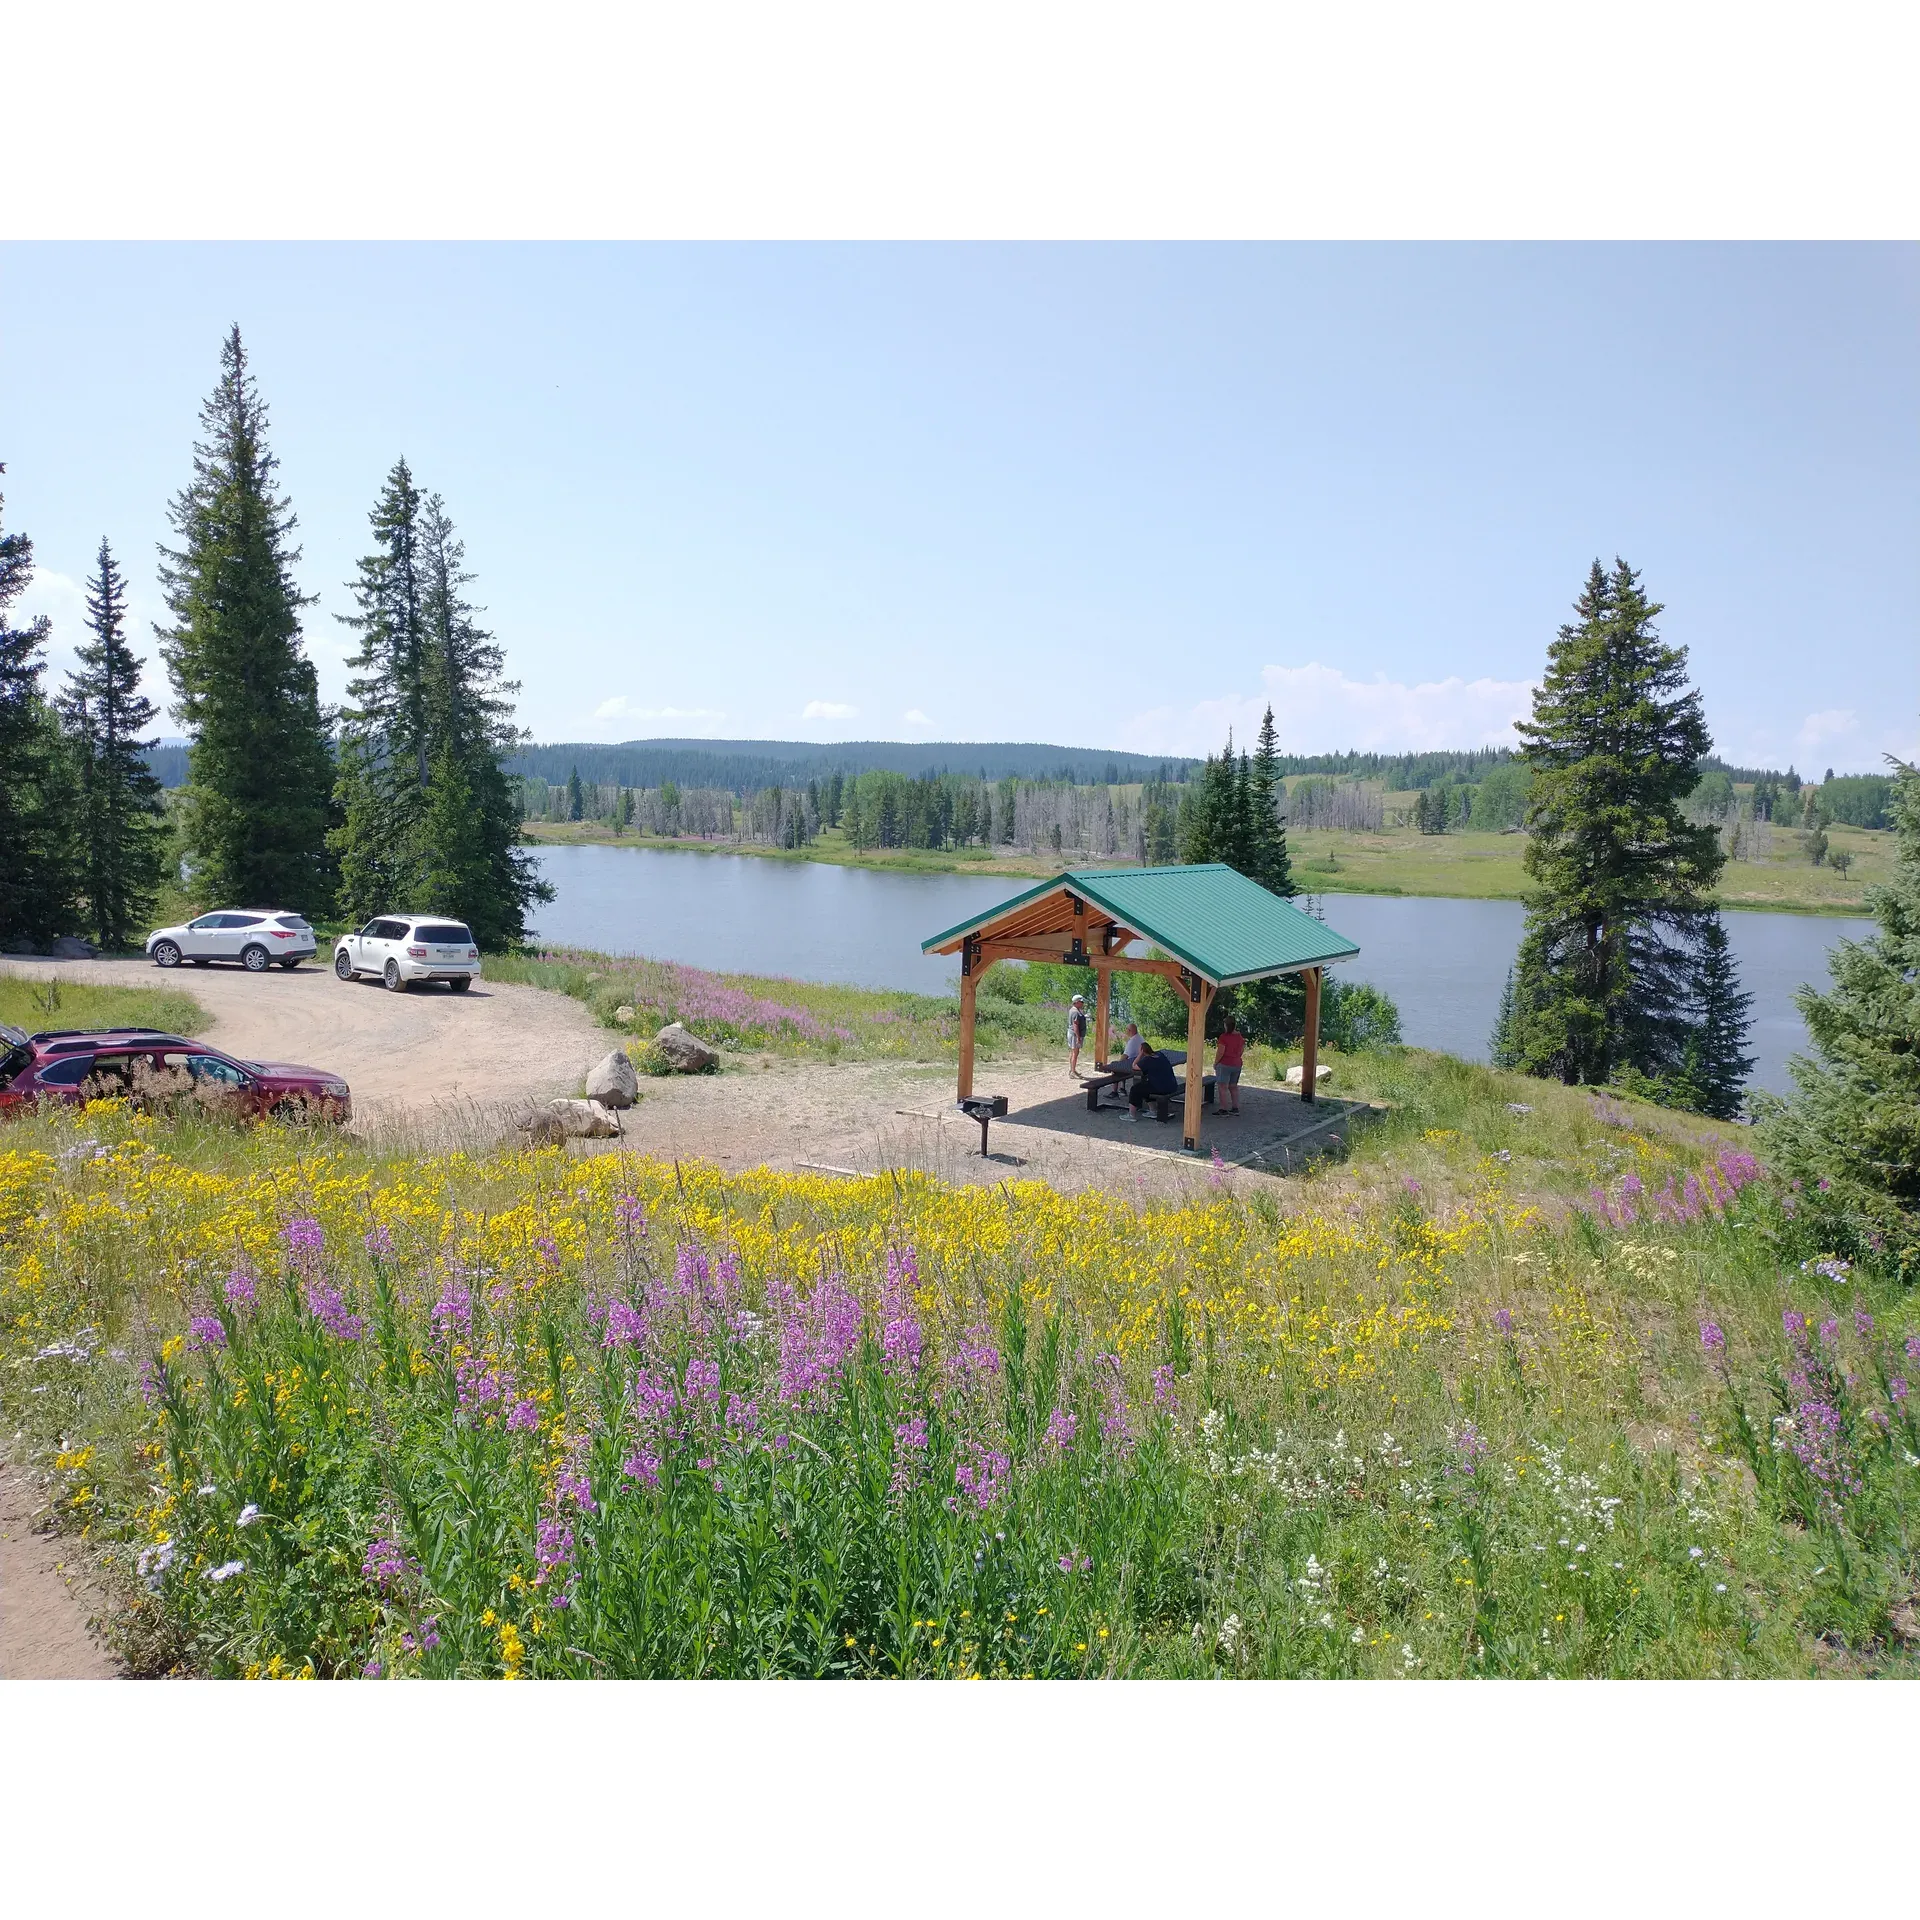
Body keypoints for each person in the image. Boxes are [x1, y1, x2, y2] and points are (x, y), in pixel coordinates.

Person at [1128, 1041, 1179, 1121]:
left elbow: (1134, 1066)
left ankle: (1131, 1115)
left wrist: (1140, 1055)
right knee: (1145, 1086)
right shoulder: (1160, 1055)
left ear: (1142, 1050)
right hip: (1172, 1085)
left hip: (1162, 1088)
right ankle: (1153, 1110)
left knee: (1135, 1089)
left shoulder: (1147, 1060)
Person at [1213, 1013, 1246, 1114]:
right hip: (1237, 1064)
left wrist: (1216, 1062)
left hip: (1225, 1064)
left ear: (1226, 1025)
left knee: (1222, 1087)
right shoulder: (1239, 1036)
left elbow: (1220, 1052)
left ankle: (1223, 1109)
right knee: (1233, 1086)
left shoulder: (1224, 1037)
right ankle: (1235, 1108)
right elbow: (1241, 1050)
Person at [1067, 993, 1089, 1076]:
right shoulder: (1075, 1012)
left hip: (1073, 1034)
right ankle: (1072, 1071)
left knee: (1073, 1052)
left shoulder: (1074, 1010)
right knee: (1075, 1053)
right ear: (1076, 1002)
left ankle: (1072, 1069)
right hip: (1074, 1034)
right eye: (1081, 1002)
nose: (1082, 1004)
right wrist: (1078, 1037)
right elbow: (1075, 1025)